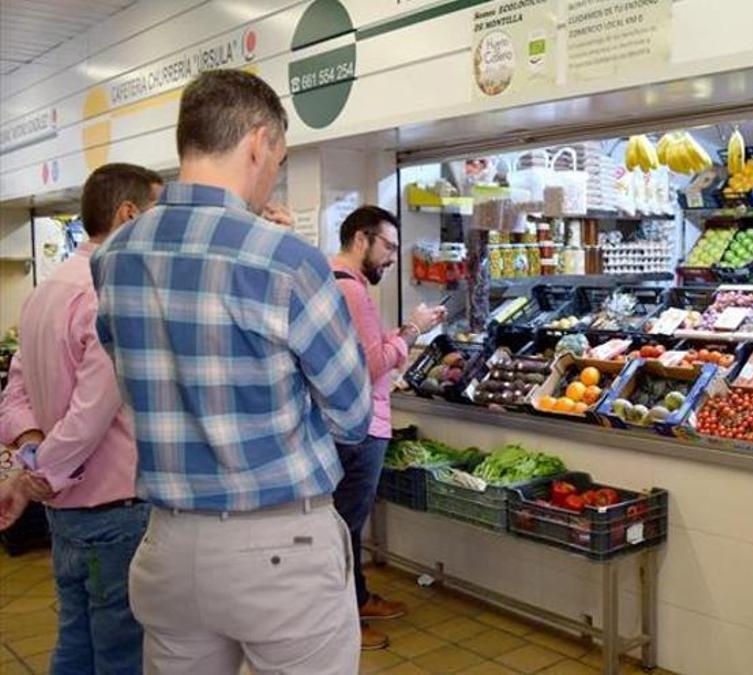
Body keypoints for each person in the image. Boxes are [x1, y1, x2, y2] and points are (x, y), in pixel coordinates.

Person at [90, 70, 372, 674]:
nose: (275, 173)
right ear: (257, 141)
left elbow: (129, 372)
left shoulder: (114, 257)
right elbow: (352, 415)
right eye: (279, 158)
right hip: (280, 549)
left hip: (167, 545)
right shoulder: (288, 260)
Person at [0, 163, 162, 674]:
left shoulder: (47, 290)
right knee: (118, 651)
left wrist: (32, 456)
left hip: (66, 513)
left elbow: (17, 391)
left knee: (75, 636)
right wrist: (38, 473)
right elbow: (89, 417)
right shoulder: (109, 295)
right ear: (128, 214)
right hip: (111, 511)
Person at [329, 205, 447, 650]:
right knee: (344, 527)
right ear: (362, 239)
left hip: (340, 423)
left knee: (343, 527)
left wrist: (394, 339)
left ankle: (355, 601)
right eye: (389, 247)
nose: (393, 257)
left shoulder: (329, 277)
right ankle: (343, 625)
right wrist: (412, 331)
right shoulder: (352, 291)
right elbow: (372, 362)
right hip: (361, 427)